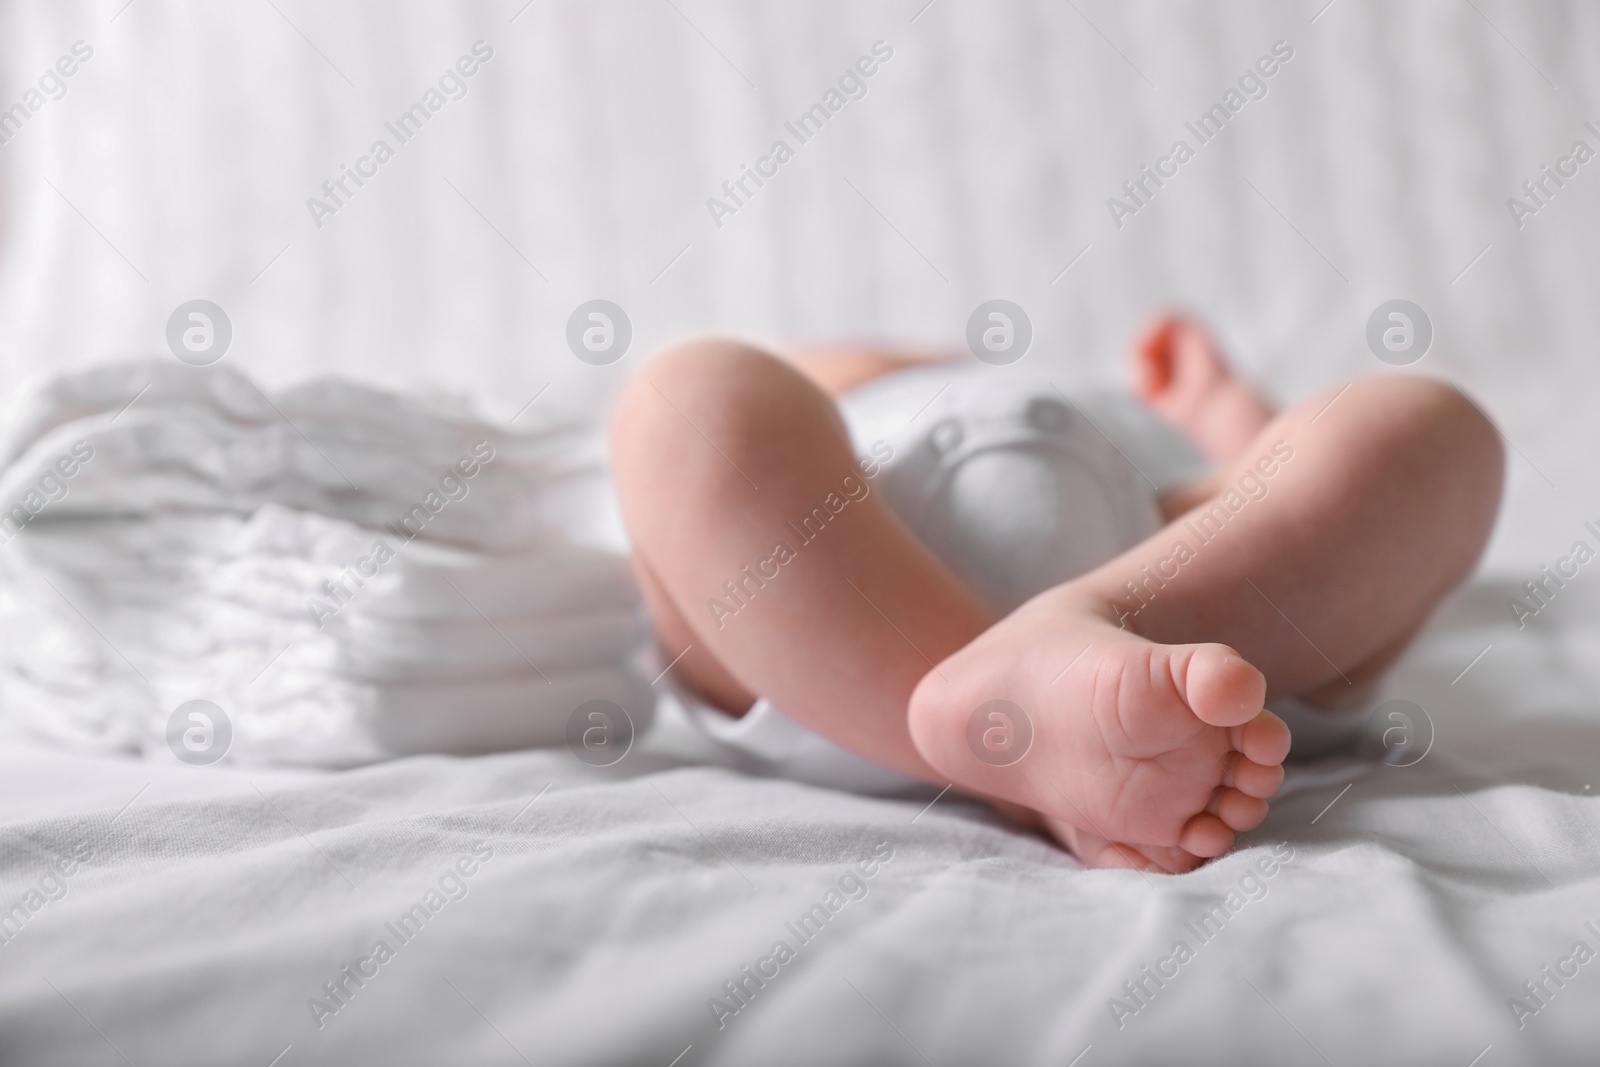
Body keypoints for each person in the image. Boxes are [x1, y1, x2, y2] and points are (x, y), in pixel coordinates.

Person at [609, 315, 1503, 872]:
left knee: (1418, 424)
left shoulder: (1115, 410)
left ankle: (1054, 685)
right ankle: (1028, 752)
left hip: (1168, 569)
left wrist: (1219, 403)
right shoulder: (840, 395)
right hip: (840, 624)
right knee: (687, 399)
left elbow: (1274, 472)